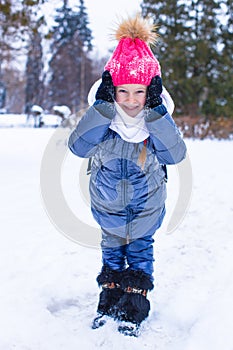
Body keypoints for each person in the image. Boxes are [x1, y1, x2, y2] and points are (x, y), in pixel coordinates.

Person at [68, 15, 187, 336]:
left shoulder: (154, 124)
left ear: (152, 92)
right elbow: (78, 147)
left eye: (140, 92)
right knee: (111, 248)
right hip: (107, 207)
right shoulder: (103, 123)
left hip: (147, 206)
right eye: (123, 91)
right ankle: (110, 291)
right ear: (111, 90)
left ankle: (135, 298)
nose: (132, 100)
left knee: (138, 248)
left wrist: (156, 113)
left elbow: (175, 155)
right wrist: (103, 109)